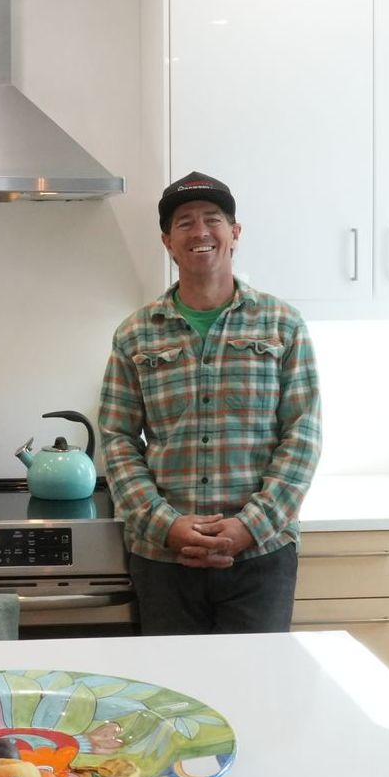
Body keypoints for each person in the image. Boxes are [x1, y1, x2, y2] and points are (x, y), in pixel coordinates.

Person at [99, 171, 322, 635]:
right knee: (169, 699)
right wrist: (165, 525)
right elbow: (118, 438)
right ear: (168, 241)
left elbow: (303, 433)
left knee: (255, 695)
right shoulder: (135, 333)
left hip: (261, 556)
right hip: (163, 559)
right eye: (184, 223)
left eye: (212, 219)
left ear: (234, 232)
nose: (200, 232)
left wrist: (249, 526)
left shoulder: (283, 325)